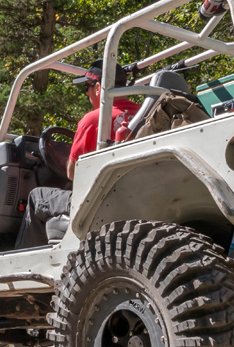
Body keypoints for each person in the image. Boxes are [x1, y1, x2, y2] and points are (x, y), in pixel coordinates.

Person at [12, 60, 141, 250]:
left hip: (95, 201)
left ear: (98, 88)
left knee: (36, 197)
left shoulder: (93, 120)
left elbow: (73, 173)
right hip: (133, 196)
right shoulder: (143, 114)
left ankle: (24, 263)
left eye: (87, 88)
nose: (87, 93)